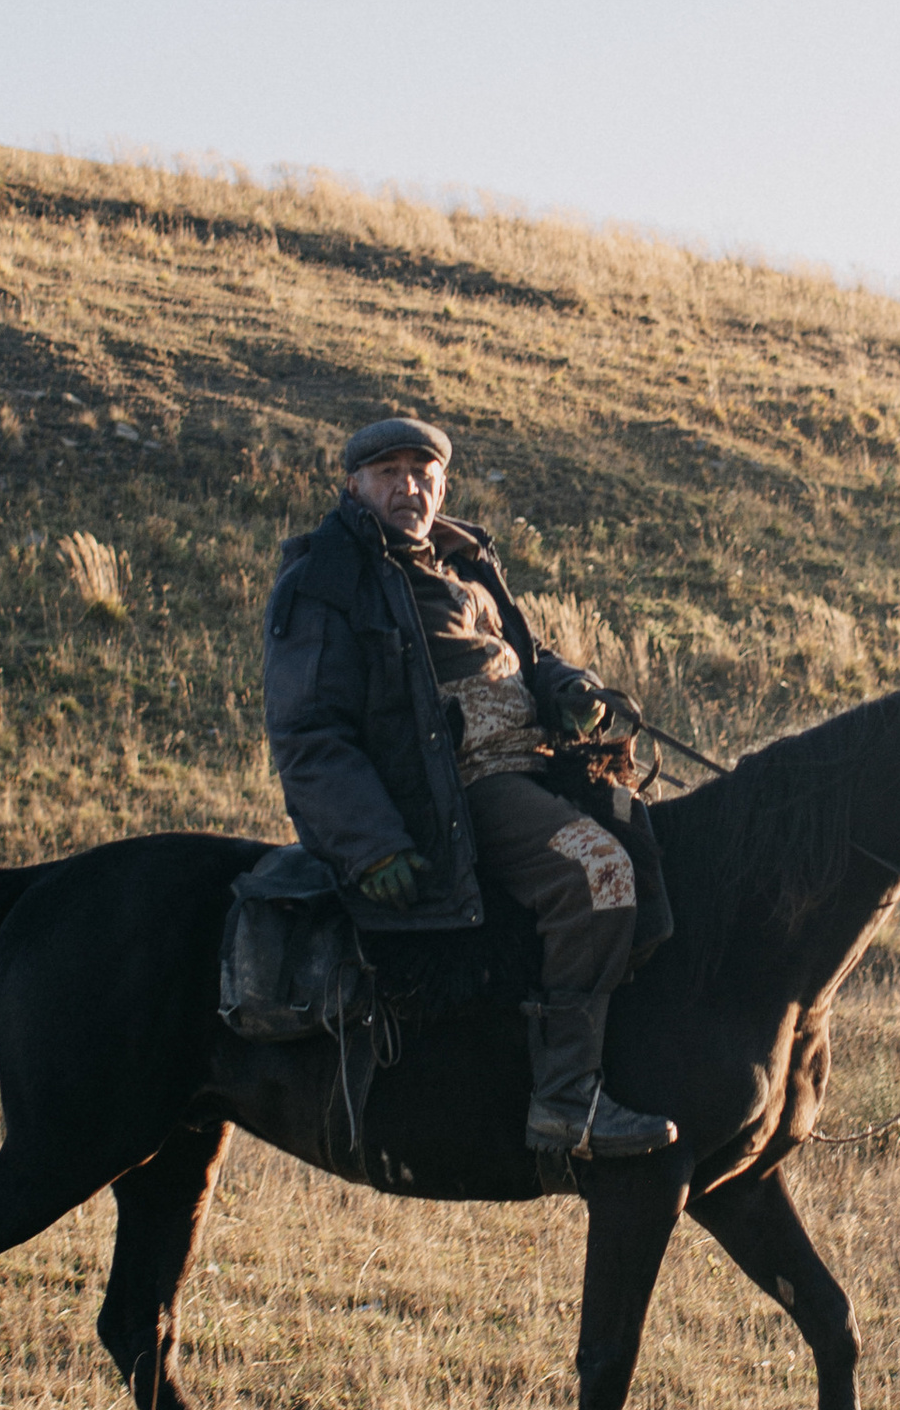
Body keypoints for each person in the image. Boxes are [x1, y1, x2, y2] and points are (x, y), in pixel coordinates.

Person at [262, 414, 676, 1161]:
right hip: (456, 789)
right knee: (599, 874)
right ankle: (565, 1102)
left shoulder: (463, 561)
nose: (409, 487)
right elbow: (309, 732)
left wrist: (572, 688)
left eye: (423, 473)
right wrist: (371, 844)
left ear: (443, 483)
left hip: (537, 758)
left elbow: (525, 655)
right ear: (353, 484)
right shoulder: (327, 578)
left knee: (656, 848)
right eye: (389, 473)